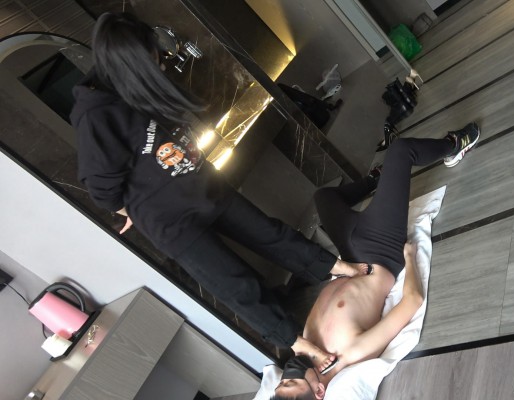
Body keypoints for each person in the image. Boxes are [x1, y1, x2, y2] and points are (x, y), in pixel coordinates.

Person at [70, 11, 369, 372]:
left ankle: (337, 267)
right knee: (236, 285)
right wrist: (129, 211)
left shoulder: (129, 86)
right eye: (153, 56)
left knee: (269, 232)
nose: (160, 62)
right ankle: (300, 344)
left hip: (204, 185)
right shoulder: (96, 116)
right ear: (133, 64)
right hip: (171, 223)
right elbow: (102, 191)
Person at [272, 122, 480, 399]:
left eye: (281, 383)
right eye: (291, 383)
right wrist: (409, 256)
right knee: (401, 151)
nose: (287, 375)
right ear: (319, 391)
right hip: (381, 250)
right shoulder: (353, 352)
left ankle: (375, 180)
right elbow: (412, 301)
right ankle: (454, 146)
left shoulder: (305, 348)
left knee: (323, 197)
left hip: (348, 255)